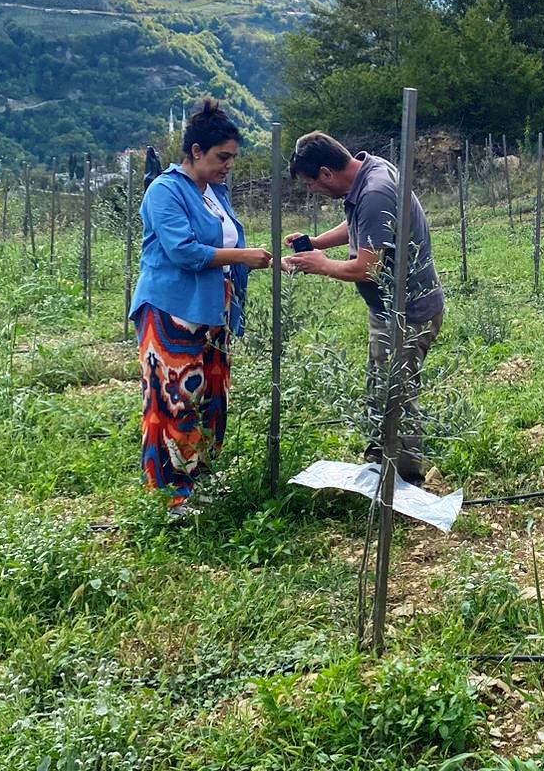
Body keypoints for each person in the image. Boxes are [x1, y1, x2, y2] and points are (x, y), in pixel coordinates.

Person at [130, 99, 272, 513]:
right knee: (173, 399)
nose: (229, 165)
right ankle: (172, 494)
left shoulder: (214, 193)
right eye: (222, 157)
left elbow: (224, 244)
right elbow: (184, 251)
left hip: (213, 308)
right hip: (171, 308)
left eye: (232, 157)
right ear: (196, 151)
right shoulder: (165, 191)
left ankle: (199, 478)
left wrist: (254, 260)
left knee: (211, 396)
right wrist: (243, 257)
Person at [282, 132, 444, 485]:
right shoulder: (368, 173)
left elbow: (368, 269)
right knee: (380, 387)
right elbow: (364, 224)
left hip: (408, 313)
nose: (313, 191)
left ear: (326, 173)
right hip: (391, 309)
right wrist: (318, 242)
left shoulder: (373, 191)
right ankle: (380, 463)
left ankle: (403, 484)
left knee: (397, 396)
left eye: (311, 184)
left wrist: (322, 264)